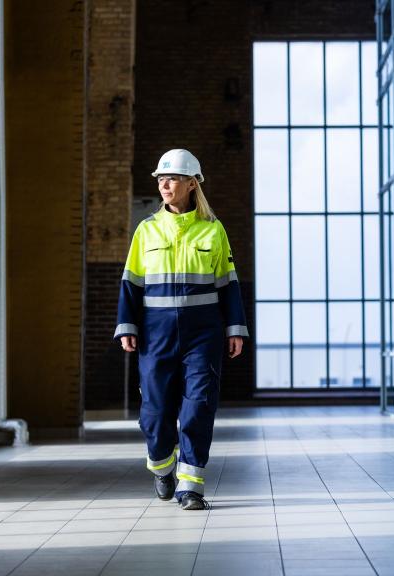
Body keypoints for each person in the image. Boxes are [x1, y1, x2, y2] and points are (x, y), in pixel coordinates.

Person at [114, 149, 248, 510]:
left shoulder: (213, 229)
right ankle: (162, 467)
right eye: (161, 179)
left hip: (203, 334)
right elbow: (131, 282)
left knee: (198, 407)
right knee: (155, 413)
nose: (164, 185)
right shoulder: (147, 230)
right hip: (155, 335)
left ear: (192, 184)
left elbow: (228, 283)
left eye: (172, 178)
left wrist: (235, 328)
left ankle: (190, 487)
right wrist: (126, 325)